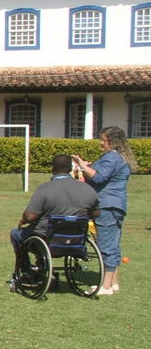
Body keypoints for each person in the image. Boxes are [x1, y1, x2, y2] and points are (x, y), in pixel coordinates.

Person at [72, 126, 138, 296]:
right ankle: (113, 282)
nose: (101, 143)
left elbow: (99, 177)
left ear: (114, 141)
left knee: (106, 246)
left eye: (104, 140)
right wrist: (86, 168)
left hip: (107, 206)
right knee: (113, 245)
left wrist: (81, 166)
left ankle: (106, 286)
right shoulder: (118, 157)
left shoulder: (112, 158)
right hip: (115, 205)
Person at [11, 154, 100, 252]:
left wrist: (23, 221)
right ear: (70, 168)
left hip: (46, 238)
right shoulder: (88, 189)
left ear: (52, 168)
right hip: (76, 238)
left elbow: (30, 217)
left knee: (15, 233)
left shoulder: (44, 189)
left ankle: (25, 266)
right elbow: (96, 213)